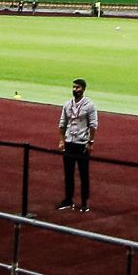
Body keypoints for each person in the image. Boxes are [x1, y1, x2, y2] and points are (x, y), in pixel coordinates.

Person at [55, 78, 98, 213]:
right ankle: (68, 199)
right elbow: (62, 123)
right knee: (68, 173)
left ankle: (84, 201)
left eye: (78, 87)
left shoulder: (89, 105)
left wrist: (90, 142)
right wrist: (61, 140)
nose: (75, 90)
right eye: (74, 87)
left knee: (83, 174)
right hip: (69, 142)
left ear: (83, 89)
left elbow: (93, 125)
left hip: (82, 144)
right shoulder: (67, 104)